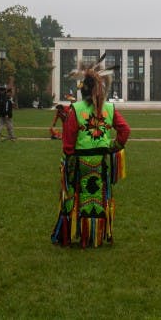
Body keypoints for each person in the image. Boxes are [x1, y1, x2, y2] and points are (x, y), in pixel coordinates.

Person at [51, 61, 130, 248]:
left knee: (73, 195)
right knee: (99, 196)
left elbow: (68, 141)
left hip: (80, 162)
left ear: (83, 90)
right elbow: (125, 130)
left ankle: (70, 234)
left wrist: (68, 157)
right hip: (101, 162)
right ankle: (96, 235)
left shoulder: (76, 109)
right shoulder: (109, 109)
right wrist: (114, 147)